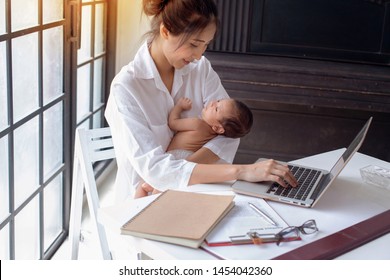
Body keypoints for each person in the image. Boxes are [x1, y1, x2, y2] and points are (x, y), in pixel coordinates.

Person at [105, 0, 297, 202]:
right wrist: (241, 171)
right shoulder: (126, 87)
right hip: (143, 201)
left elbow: (230, 131)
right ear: (165, 31)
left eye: (205, 45)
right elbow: (154, 171)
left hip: (197, 191)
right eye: (194, 44)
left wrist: (186, 166)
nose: (198, 56)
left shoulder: (201, 70)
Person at [134, 96, 254, 198]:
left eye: (216, 109)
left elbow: (173, 123)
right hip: (190, 161)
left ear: (218, 128)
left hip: (177, 158)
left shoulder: (198, 124)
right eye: (218, 101)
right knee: (155, 190)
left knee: (149, 185)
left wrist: (179, 107)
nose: (212, 103)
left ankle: (135, 212)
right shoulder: (213, 136)